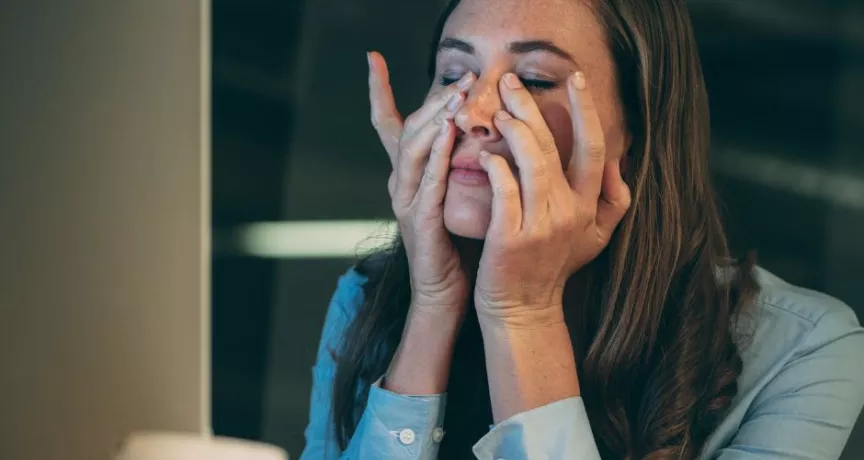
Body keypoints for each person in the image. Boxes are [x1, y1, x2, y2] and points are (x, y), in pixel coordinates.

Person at [300, 0, 864, 458]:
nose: (470, 112)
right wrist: (433, 302)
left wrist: (523, 312)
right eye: (453, 74)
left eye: (533, 80)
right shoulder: (365, 299)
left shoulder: (805, 349)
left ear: (637, 126)